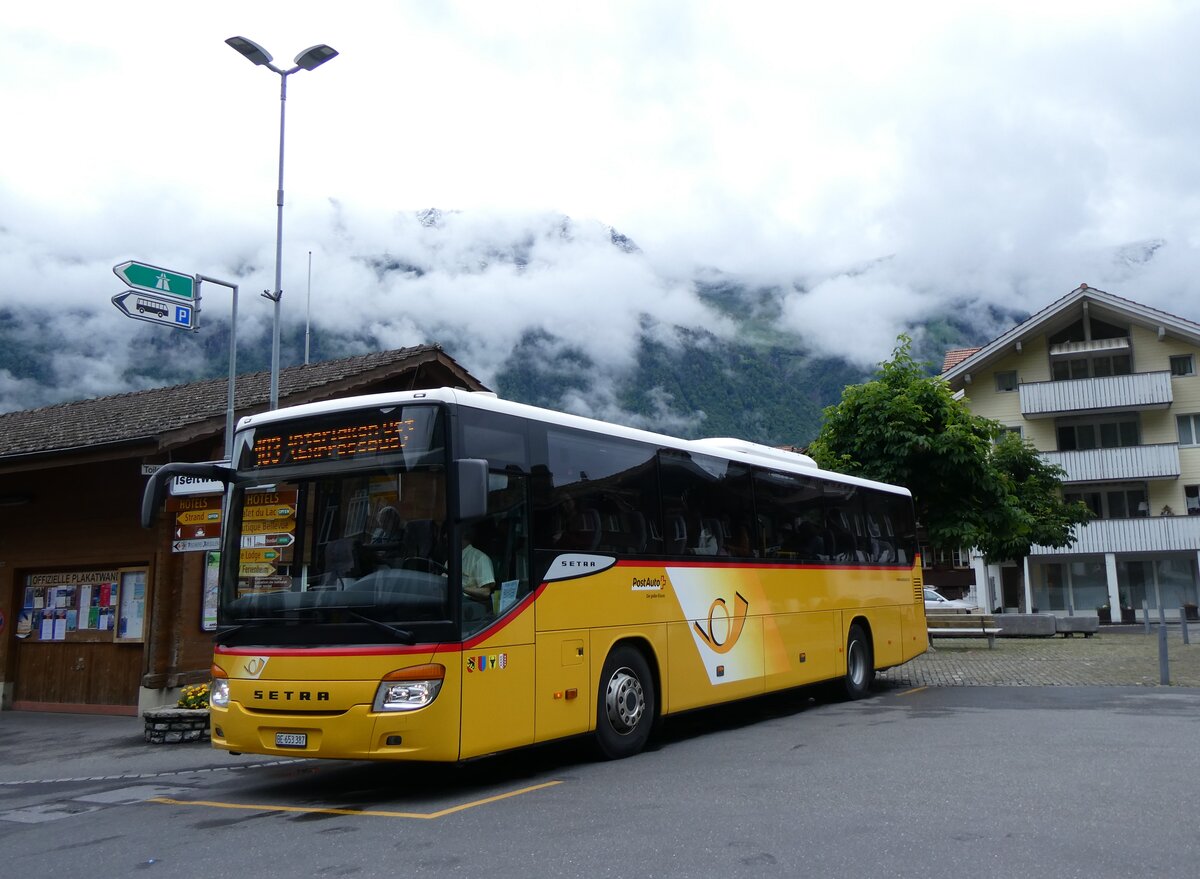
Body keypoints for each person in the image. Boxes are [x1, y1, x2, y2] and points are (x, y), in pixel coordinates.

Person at [461, 528, 497, 607]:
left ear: (462, 534)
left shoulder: (480, 558)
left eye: (448, 533)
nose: (445, 536)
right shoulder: (451, 560)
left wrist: (461, 588)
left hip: (470, 608)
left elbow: (486, 592)